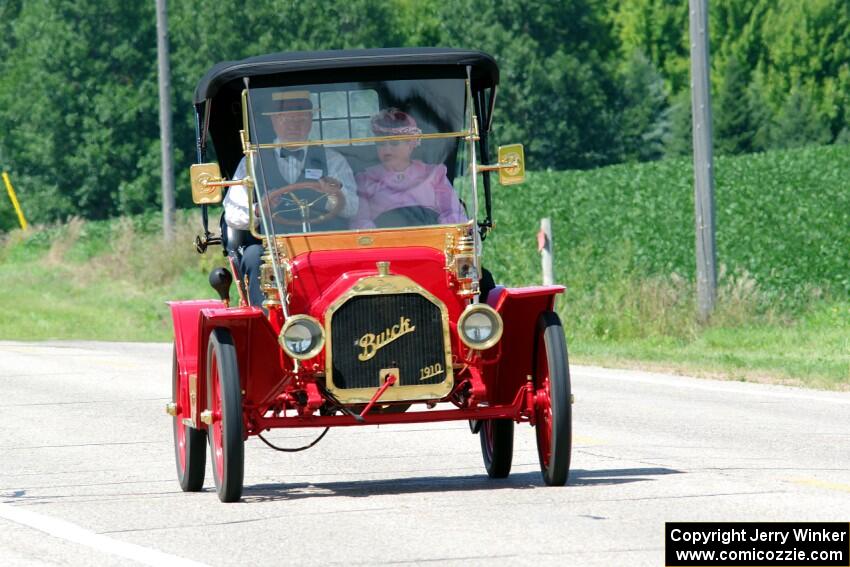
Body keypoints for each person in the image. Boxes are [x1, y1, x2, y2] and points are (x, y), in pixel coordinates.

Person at [223, 90, 358, 307]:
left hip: (322, 241)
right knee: (253, 257)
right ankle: (267, 322)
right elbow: (232, 214)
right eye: (287, 117)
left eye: (302, 117)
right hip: (270, 246)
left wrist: (333, 196)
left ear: (311, 120)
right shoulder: (252, 160)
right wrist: (259, 210)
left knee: (349, 255)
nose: (295, 123)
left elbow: (353, 207)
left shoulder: (333, 160)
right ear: (274, 120)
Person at [352, 108, 466, 230]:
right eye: (381, 144)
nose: (387, 150)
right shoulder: (366, 179)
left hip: (429, 241)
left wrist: (439, 234)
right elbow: (360, 221)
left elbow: (453, 212)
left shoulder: (434, 174)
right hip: (387, 244)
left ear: (410, 144)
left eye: (394, 143)